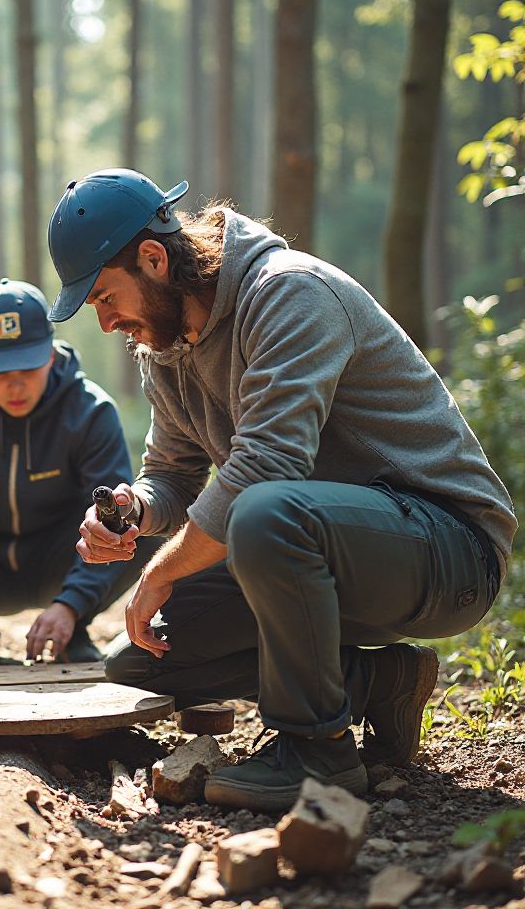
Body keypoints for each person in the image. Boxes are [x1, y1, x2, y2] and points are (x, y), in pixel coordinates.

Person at [46, 168, 516, 812]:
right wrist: (136, 508)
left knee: (264, 510)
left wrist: (161, 571)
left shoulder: (289, 293)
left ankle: (318, 751)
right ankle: (378, 682)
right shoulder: (165, 349)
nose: (104, 323)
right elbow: (173, 474)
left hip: (448, 549)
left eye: (104, 297)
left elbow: (268, 468)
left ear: (153, 259)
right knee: (141, 661)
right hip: (310, 544)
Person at [0, 278, 161, 665]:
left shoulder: (90, 411)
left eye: (28, 367)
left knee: (143, 525)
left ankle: (71, 628)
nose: (16, 386)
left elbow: (111, 522)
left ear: (51, 356)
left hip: (61, 557)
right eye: (0, 372)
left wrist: (70, 605)